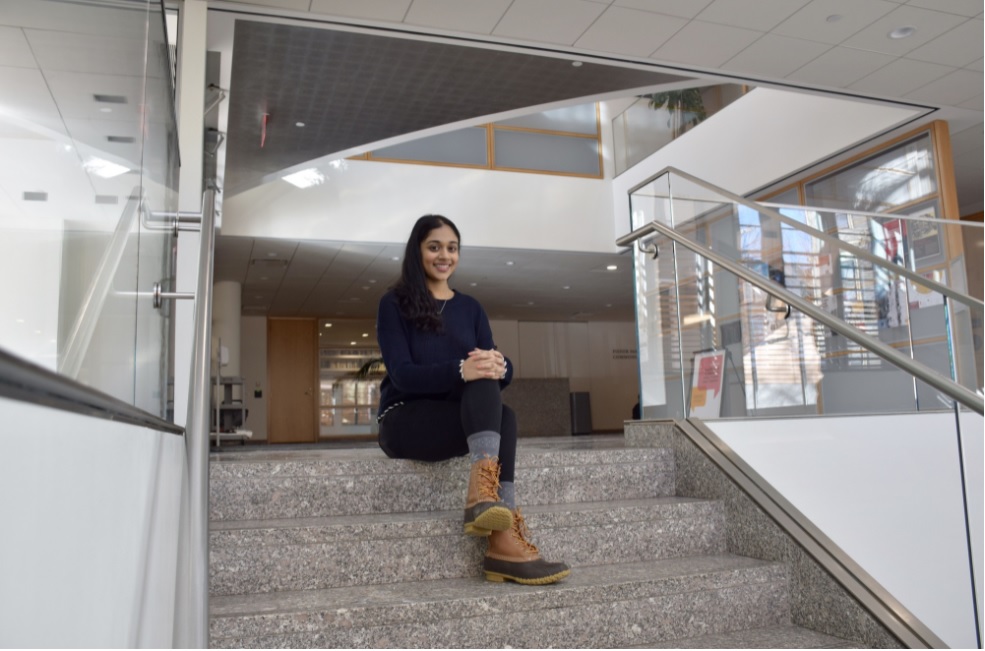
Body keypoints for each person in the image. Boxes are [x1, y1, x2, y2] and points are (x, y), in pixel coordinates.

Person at [375, 214, 570, 585]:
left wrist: (501, 365)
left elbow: (492, 366)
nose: (444, 256)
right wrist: (460, 370)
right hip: (404, 419)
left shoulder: (471, 308)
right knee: (475, 373)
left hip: (451, 414)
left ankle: (496, 526)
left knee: (501, 407)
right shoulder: (393, 304)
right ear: (417, 251)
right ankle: (491, 515)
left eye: (452, 248)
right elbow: (402, 374)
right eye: (434, 247)